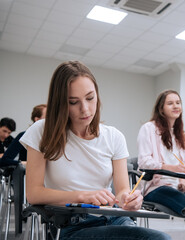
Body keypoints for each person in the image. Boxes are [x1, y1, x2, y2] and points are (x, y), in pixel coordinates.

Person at [19, 61, 170, 240]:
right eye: (73, 102)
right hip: (73, 225)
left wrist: (128, 199)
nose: (85, 109)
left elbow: (122, 190)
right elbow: (34, 193)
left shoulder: (114, 136)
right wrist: (82, 196)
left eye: (90, 98)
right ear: (60, 103)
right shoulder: (42, 131)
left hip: (115, 219)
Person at [137, 90, 185, 216]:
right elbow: (143, 163)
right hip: (155, 187)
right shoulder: (148, 128)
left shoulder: (179, 134)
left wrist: (183, 182)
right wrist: (170, 168)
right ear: (161, 109)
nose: (175, 106)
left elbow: (184, 167)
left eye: (178, 103)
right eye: (170, 103)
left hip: (177, 186)